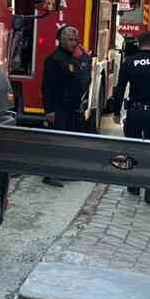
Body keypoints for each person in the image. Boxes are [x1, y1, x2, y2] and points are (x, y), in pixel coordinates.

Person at [109, 30, 150, 204]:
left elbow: (120, 88)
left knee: (133, 148)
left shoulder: (129, 62)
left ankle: (134, 184)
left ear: (138, 43)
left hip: (134, 112)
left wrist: (116, 111)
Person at [41, 24, 90, 186]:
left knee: (68, 140)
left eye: (76, 40)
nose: (74, 43)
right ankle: (49, 174)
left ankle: (63, 171)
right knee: (57, 142)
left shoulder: (74, 59)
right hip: (58, 107)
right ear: (61, 40)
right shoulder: (54, 59)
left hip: (72, 108)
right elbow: (47, 86)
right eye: (70, 39)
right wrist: (49, 110)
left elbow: (81, 81)